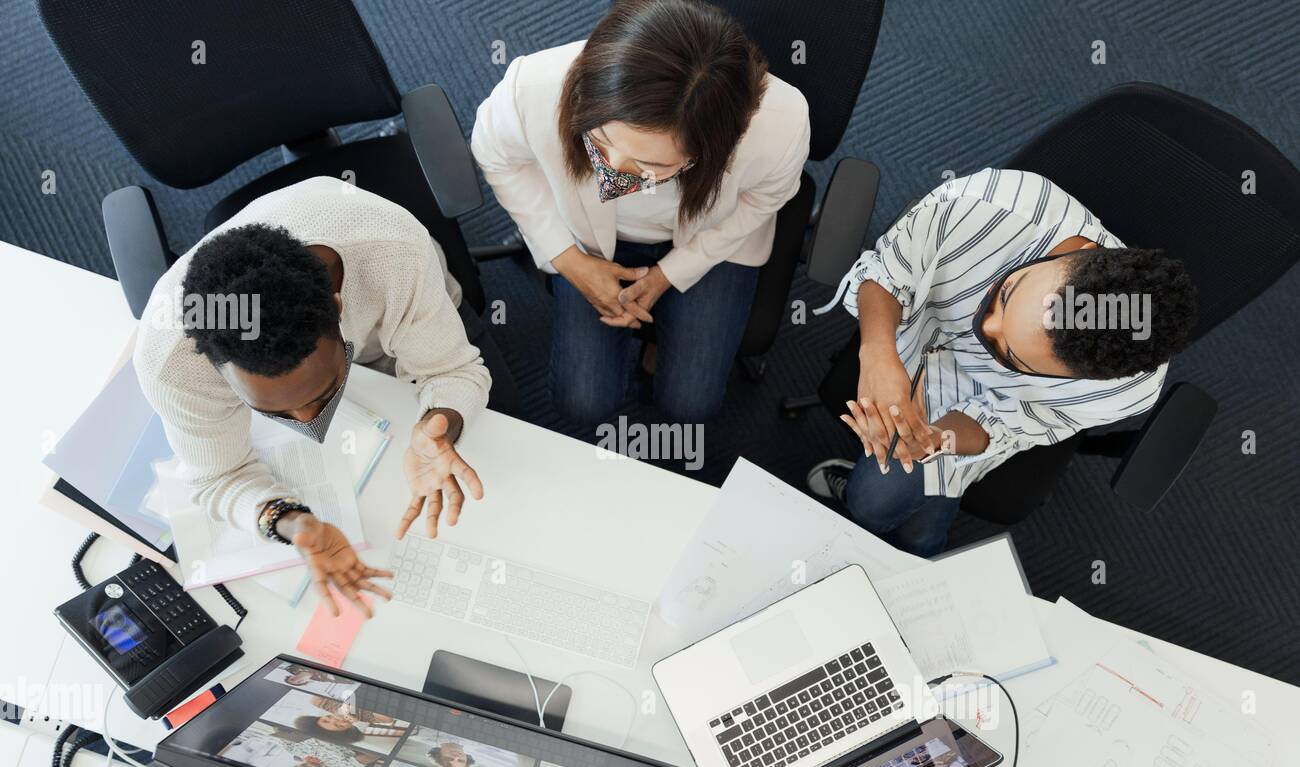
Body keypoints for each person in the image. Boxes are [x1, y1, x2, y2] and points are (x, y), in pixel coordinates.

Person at [136, 176, 504, 616]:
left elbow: (452, 369)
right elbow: (217, 478)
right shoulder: (172, 363)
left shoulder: (394, 250)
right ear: (215, 367)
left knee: (506, 430)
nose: (312, 423)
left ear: (338, 308)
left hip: (396, 326)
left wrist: (439, 423)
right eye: (272, 410)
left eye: (324, 393)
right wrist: (291, 522)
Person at [807, 168, 1197, 556]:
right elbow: (890, 268)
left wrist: (936, 440)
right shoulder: (984, 204)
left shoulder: (1120, 394)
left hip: (975, 409)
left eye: (1007, 353)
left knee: (880, 504)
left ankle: (920, 545)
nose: (984, 326)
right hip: (907, 333)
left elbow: (1008, 423)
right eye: (1006, 293)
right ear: (1078, 254)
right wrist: (877, 350)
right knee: (877, 503)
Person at [471, 0, 810, 425]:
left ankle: (656, 346)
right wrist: (569, 261)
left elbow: (762, 200)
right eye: (599, 137)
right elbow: (495, 156)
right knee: (583, 403)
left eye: (649, 167)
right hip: (588, 241)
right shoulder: (534, 84)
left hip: (712, 239)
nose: (610, 170)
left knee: (690, 404)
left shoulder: (781, 123)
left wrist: (671, 273)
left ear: (710, 149)